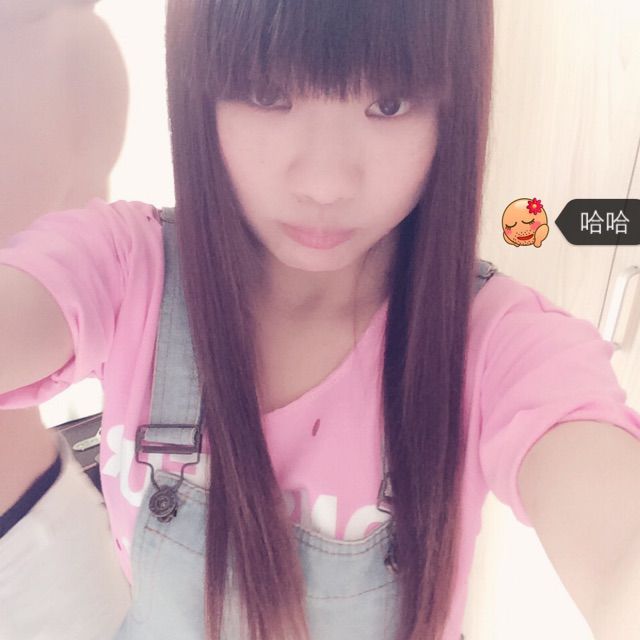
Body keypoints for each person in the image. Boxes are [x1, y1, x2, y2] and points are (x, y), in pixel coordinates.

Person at [0, 1, 639, 639]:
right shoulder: (127, 267)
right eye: (267, 94)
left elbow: (619, 552)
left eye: (389, 104)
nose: (326, 182)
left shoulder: (495, 343)